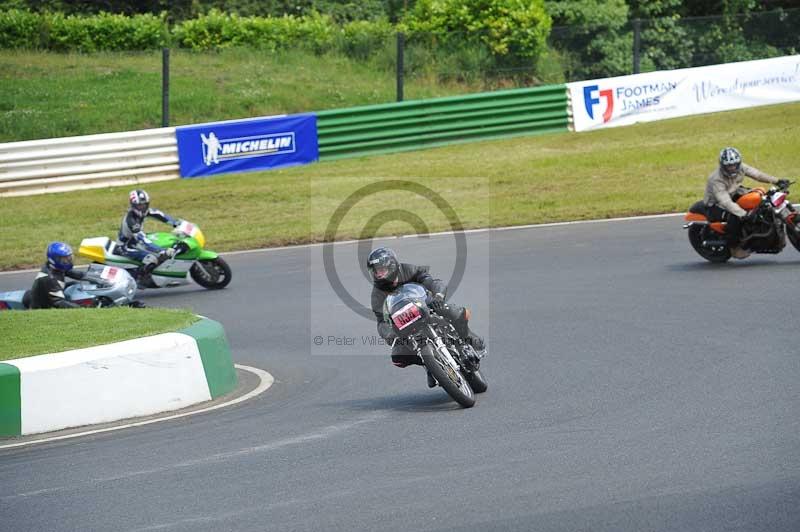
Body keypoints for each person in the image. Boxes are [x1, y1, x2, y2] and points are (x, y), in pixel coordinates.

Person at [367, 247, 485, 388]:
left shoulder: (408, 270)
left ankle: (467, 338)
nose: (378, 274)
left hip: (426, 305)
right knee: (398, 357)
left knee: (456, 312)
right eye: (376, 271)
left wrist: (438, 297)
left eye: (381, 270)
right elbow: (381, 322)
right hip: (406, 322)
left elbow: (432, 281)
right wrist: (390, 335)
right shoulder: (377, 295)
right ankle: (429, 365)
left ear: (391, 266)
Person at [703, 147, 789, 259]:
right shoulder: (716, 179)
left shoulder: (741, 168)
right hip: (715, 204)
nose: (732, 168)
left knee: (759, 199)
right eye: (729, 166)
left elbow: (757, 174)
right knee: (735, 217)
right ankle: (734, 248)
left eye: (734, 165)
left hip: (733, 192)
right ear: (723, 165)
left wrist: (777, 181)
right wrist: (743, 214)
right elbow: (725, 202)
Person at [118, 189, 181, 286]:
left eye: (144, 205)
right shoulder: (131, 220)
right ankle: (141, 279)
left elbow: (160, 215)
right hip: (125, 247)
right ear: (133, 205)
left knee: (160, 241)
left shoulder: (143, 211)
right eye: (139, 205)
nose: (142, 207)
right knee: (152, 258)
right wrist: (161, 251)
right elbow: (142, 239)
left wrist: (176, 223)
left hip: (134, 242)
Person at [29, 242, 85, 309]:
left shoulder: (55, 267)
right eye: (64, 259)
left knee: (75, 284)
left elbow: (75, 273)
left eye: (69, 258)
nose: (68, 261)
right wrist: (82, 308)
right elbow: (58, 302)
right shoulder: (49, 278)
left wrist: (95, 277)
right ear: (54, 259)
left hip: (53, 291)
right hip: (42, 307)